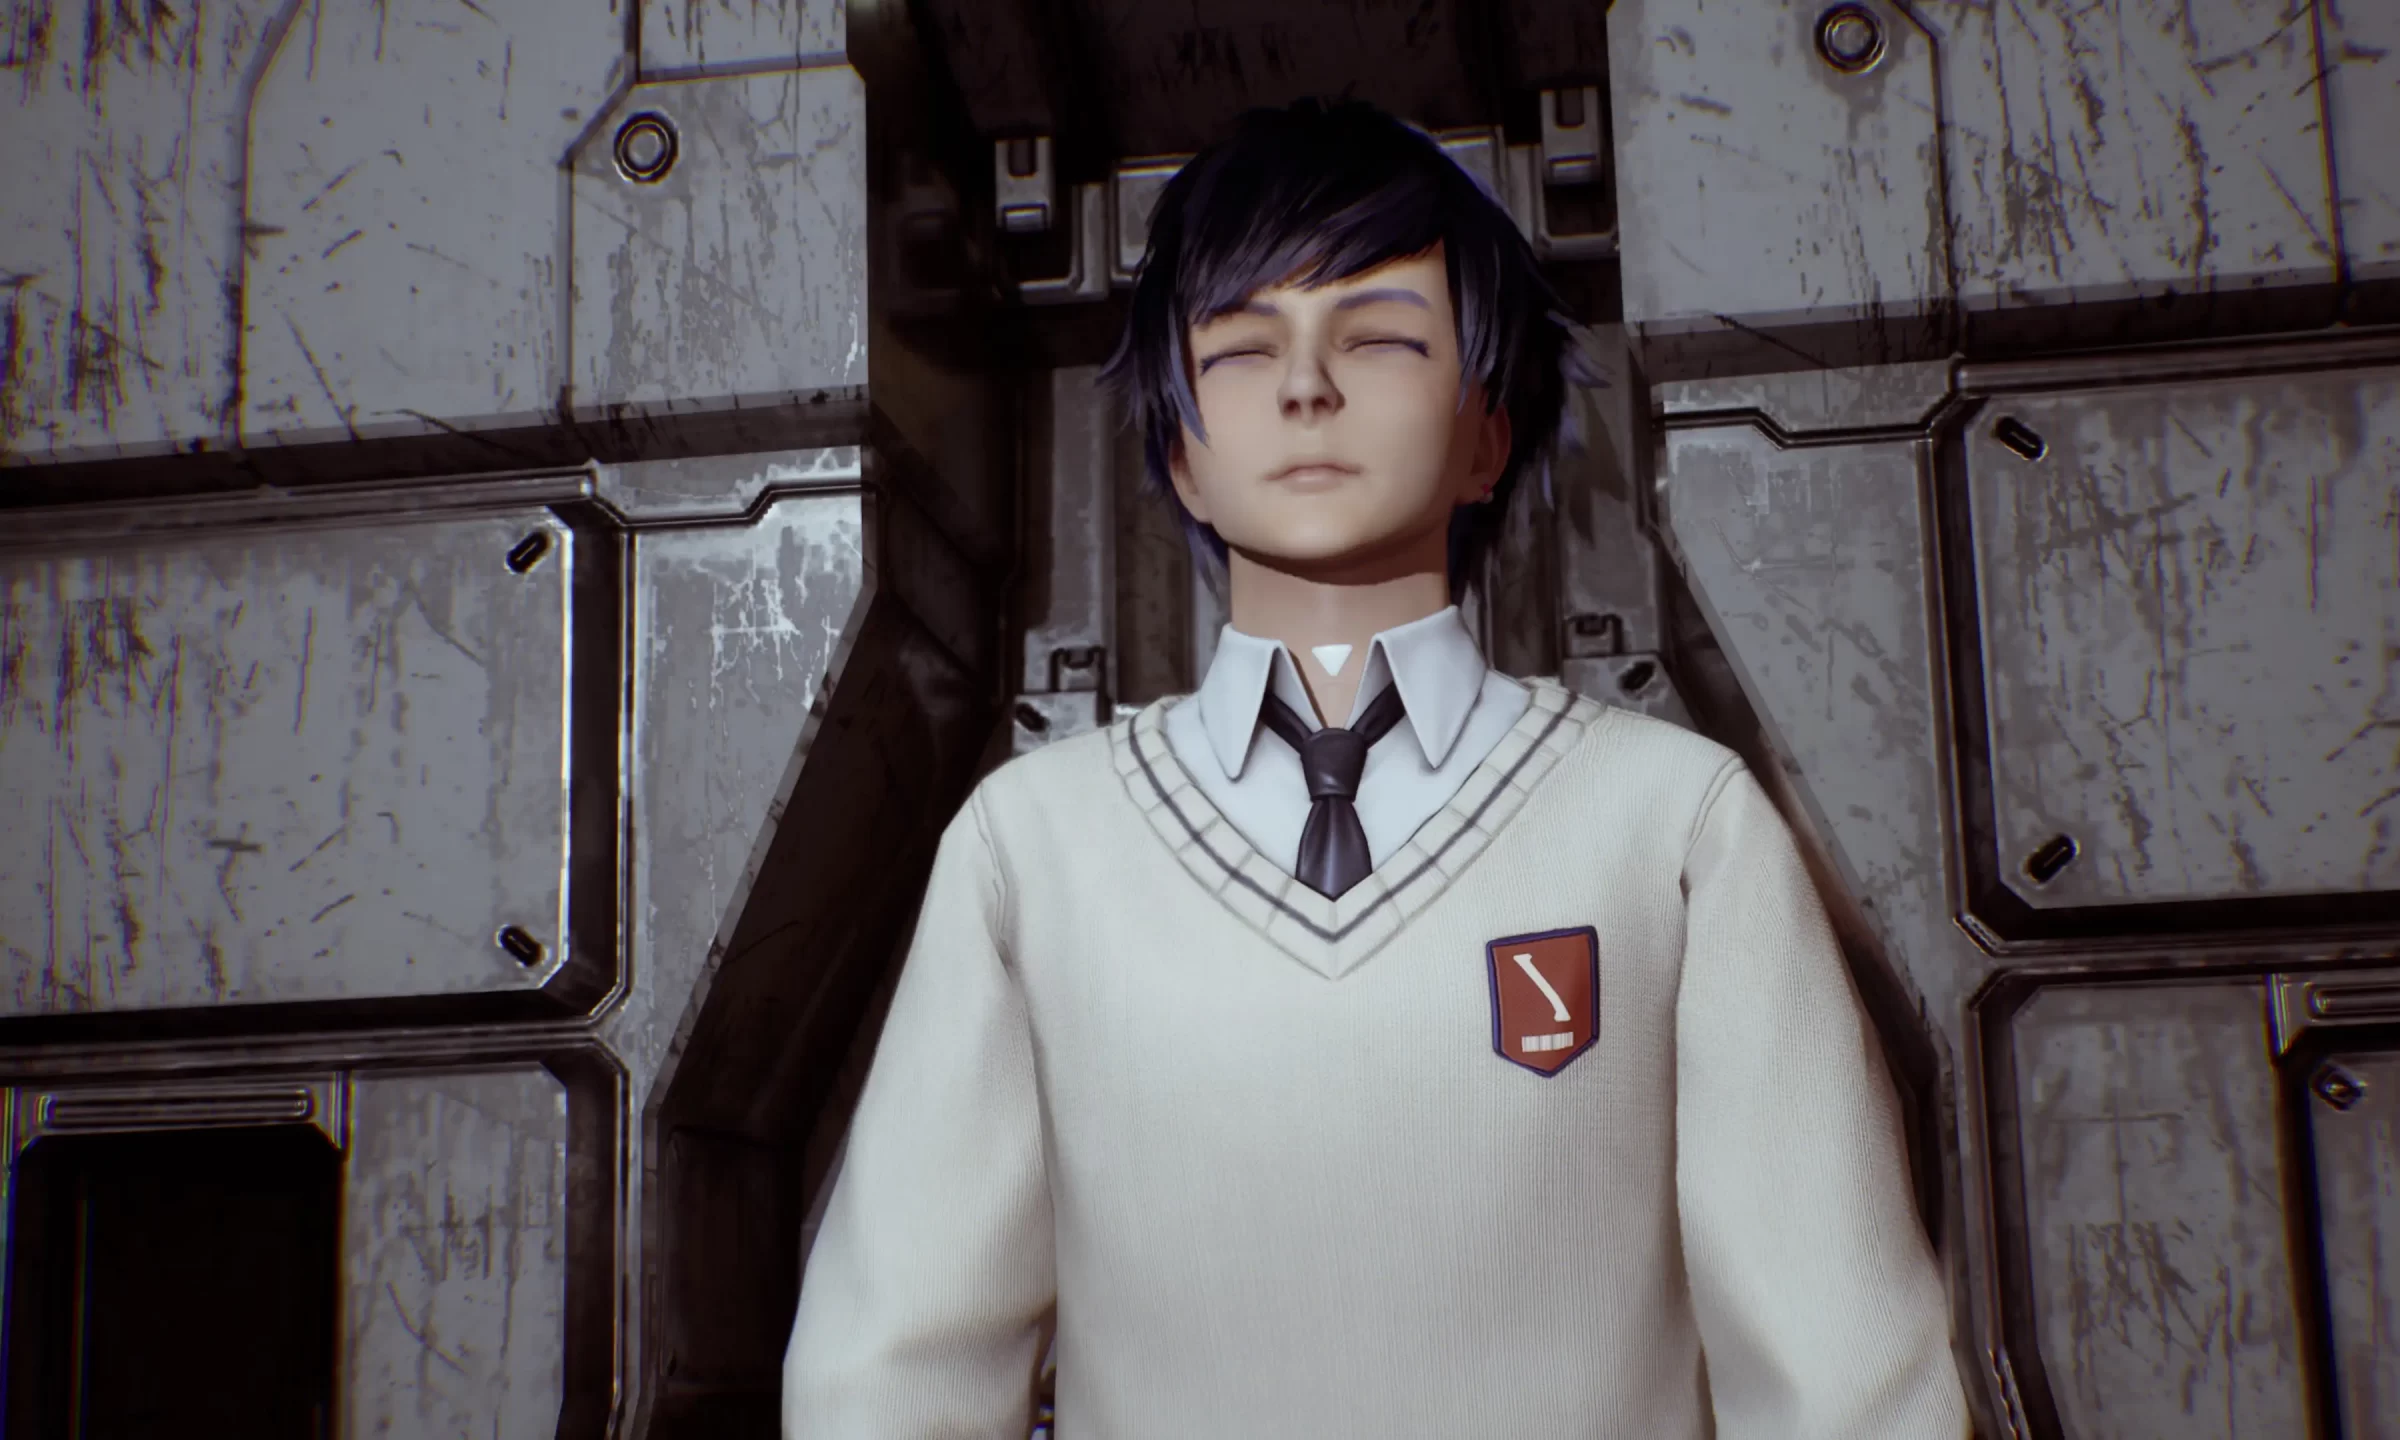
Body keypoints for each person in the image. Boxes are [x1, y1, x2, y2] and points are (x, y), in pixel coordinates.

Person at [782, 98, 1968, 1439]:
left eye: (1382, 337)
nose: (1305, 387)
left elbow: (1846, 1374)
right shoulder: (1031, 846)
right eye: (1241, 348)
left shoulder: (1672, 824)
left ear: (1486, 434)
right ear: (1178, 452)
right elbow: (892, 1370)